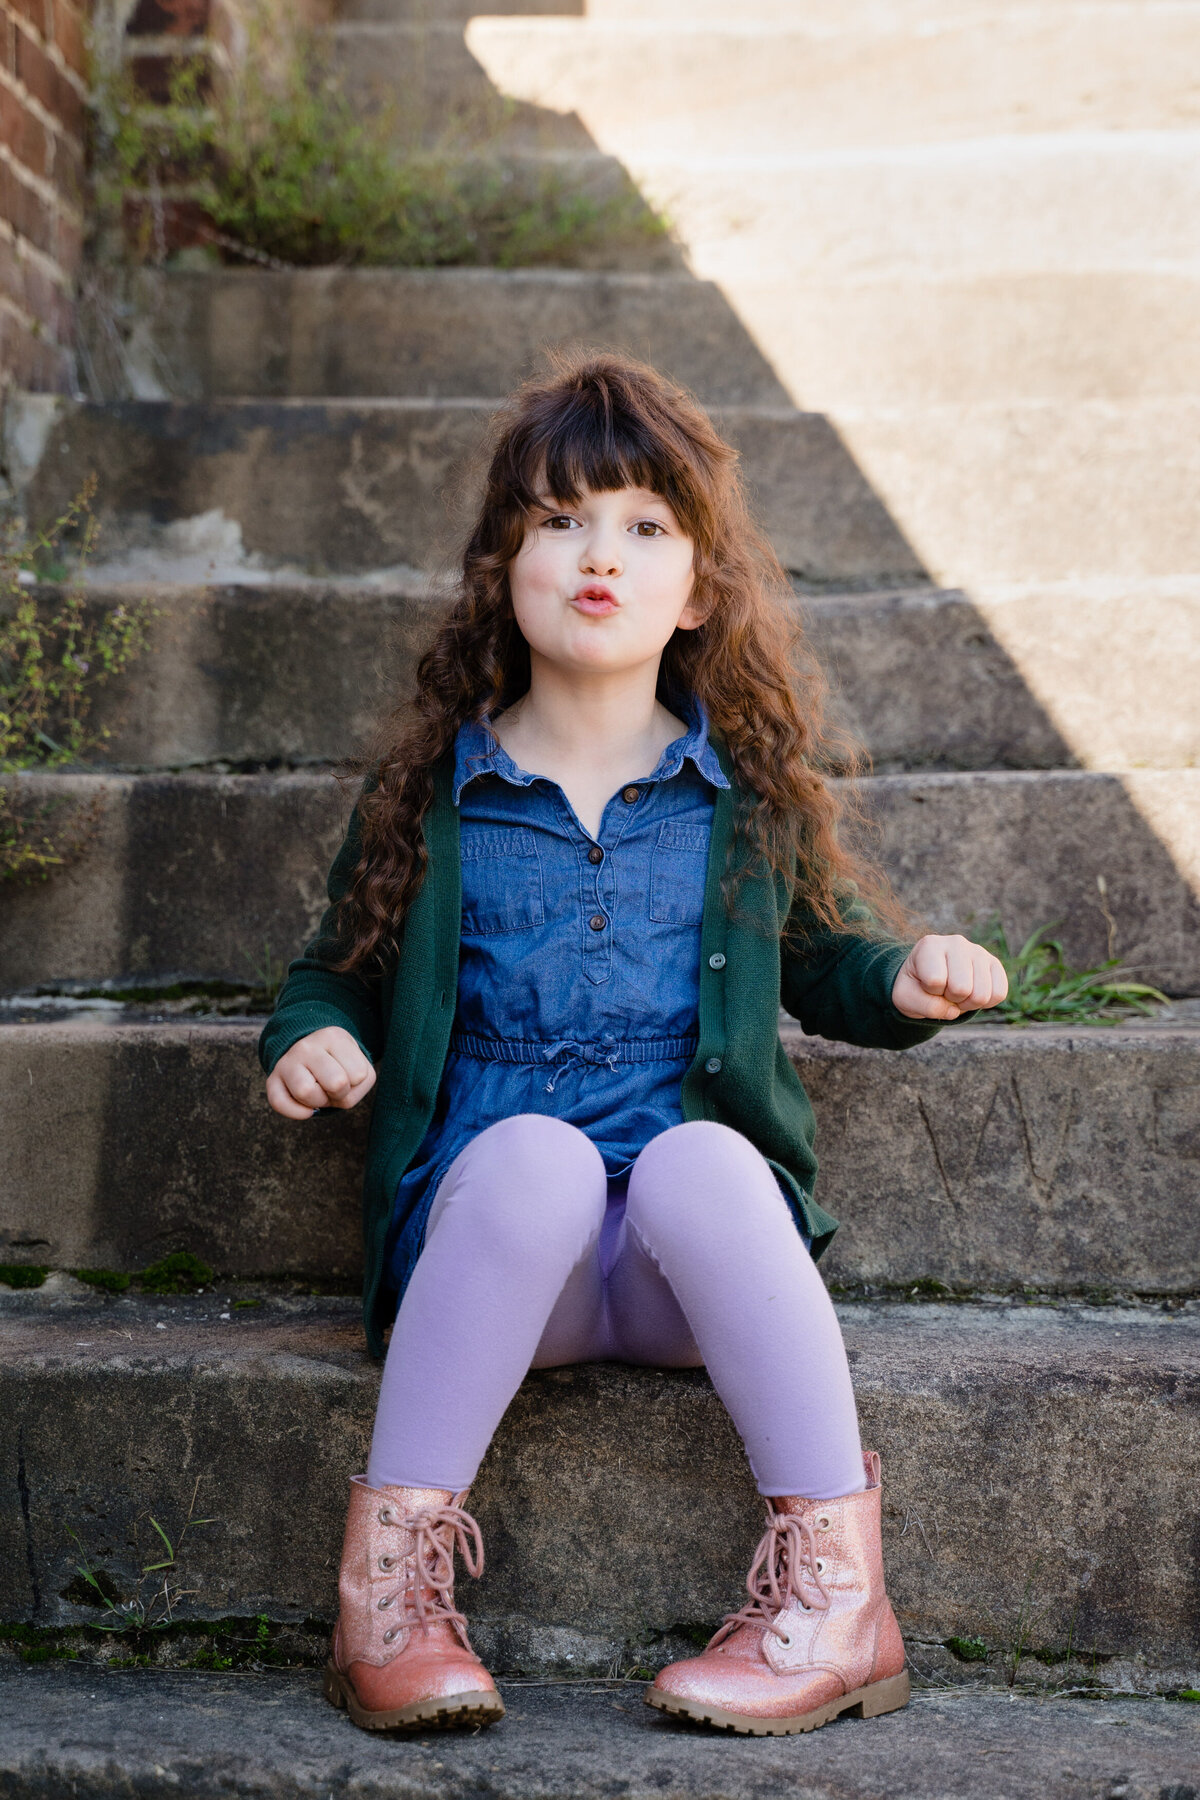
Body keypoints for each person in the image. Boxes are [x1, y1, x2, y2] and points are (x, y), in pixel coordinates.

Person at [259, 353, 1008, 1738]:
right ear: (504, 564)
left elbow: (827, 966)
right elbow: (334, 975)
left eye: (646, 526)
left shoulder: (743, 795)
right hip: (497, 1261)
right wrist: (313, 1041)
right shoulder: (437, 791)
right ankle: (390, 1596)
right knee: (534, 1159)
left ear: (700, 589)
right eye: (560, 518)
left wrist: (905, 981)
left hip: (674, 1271)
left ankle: (840, 1600)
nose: (600, 554)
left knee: (707, 1165)